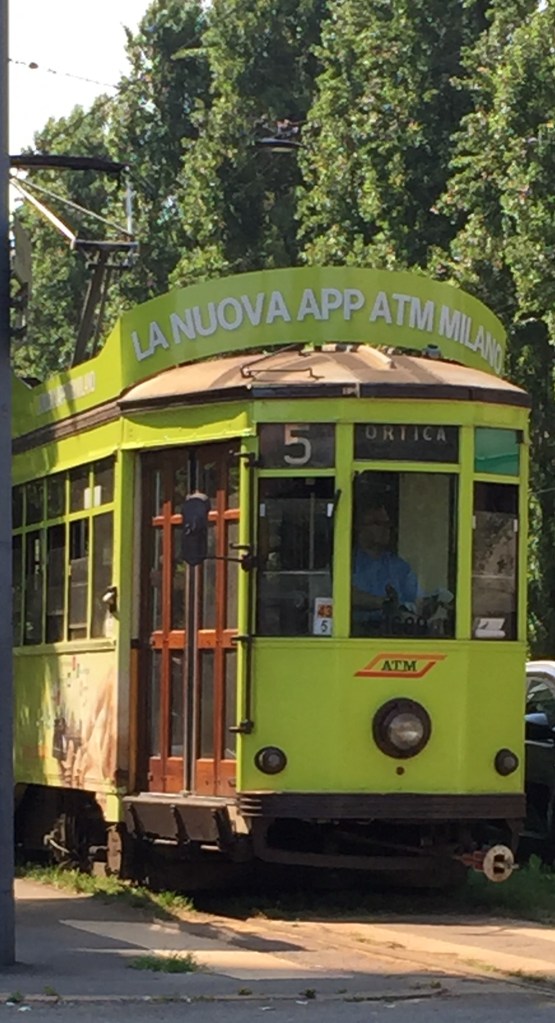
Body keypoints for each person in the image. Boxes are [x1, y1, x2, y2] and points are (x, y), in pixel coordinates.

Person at [352, 502, 419, 632]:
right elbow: (341, 595)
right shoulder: (345, 562)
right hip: (355, 633)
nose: (385, 529)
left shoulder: (400, 566)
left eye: (387, 524)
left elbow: (414, 601)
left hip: (393, 634)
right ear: (359, 527)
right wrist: (383, 603)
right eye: (377, 523)